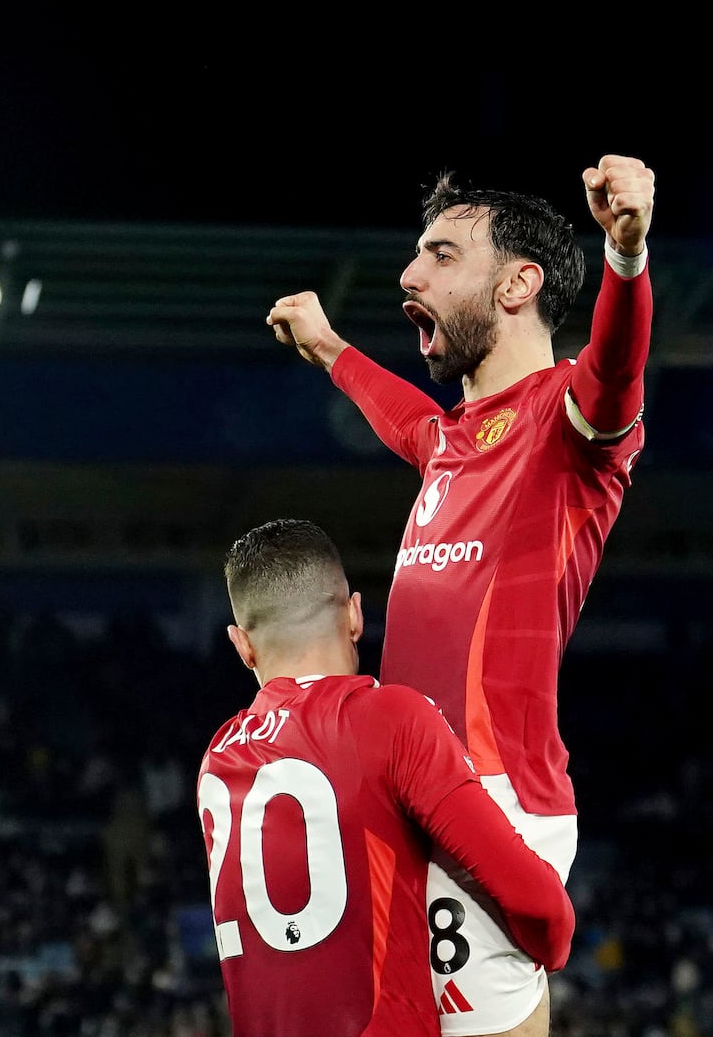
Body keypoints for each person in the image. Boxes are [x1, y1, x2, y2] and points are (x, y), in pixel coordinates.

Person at [264, 155, 654, 1036]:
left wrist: (626, 255)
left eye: (441, 255)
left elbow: (619, 365)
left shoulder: (568, 424)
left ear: (521, 283)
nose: (411, 274)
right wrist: (329, 348)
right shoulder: (452, 442)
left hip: (493, 798)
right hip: (413, 796)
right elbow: (405, 417)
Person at [198, 518, 574, 1036]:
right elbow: (534, 898)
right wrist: (553, 946)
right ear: (354, 615)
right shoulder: (388, 719)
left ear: (242, 645)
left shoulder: (218, 757)